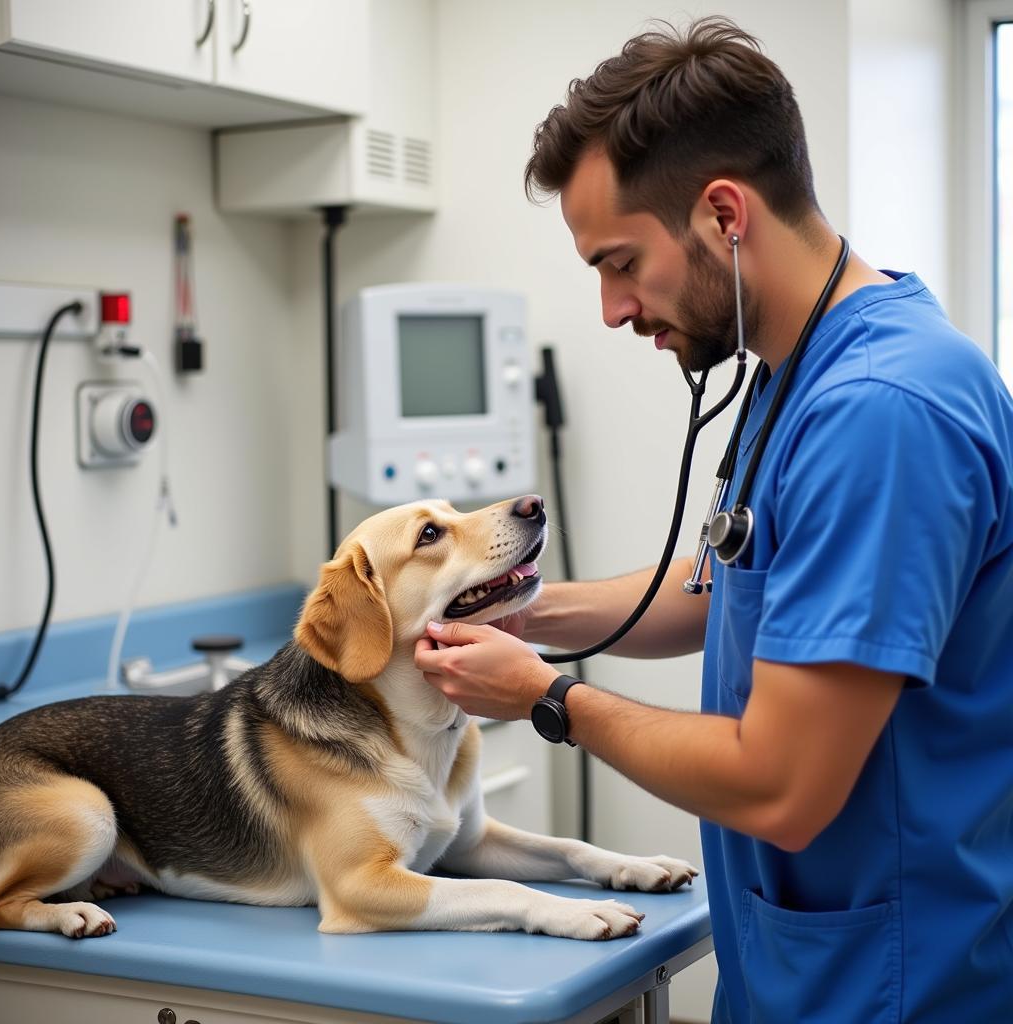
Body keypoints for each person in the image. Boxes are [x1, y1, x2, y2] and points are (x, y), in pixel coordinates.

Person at [413, 17, 1013, 1023]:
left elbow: (781, 785)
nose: (610, 309)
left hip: (901, 982)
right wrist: (524, 609)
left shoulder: (881, 413)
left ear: (723, 213)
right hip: (803, 965)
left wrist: (550, 700)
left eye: (619, 263)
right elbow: (723, 586)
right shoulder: (799, 371)